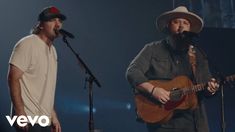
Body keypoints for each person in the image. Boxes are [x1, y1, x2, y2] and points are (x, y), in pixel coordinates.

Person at [126, 6, 219, 132]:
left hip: (195, 123)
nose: (181, 26)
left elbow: (206, 86)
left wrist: (211, 89)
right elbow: (132, 71)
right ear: (168, 26)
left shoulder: (198, 54)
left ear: (190, 29)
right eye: (176, 22)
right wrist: (153, 90)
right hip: (162, 123)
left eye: (185, 23)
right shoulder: (152, 49)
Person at [8, 6, 66, 132]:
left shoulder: (53, 52)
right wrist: (20, 112)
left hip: (44, 120)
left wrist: (53, 116)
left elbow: (45, 89)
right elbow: (13, 78)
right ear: (40, 25)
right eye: (52, 20)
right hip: (28, 118)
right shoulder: (27, 44)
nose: (57, 24)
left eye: (59, 21)